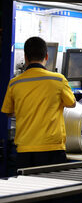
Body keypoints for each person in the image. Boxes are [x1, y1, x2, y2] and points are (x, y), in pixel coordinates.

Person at [1, 37, 76, 170]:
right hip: (52, 149)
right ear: (46, 56)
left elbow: (8, 112)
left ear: (25, 57)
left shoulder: (15, 83)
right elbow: (72, 104)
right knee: (53, 189)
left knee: (28, 189)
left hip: (24, 150)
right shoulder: (58, 80)